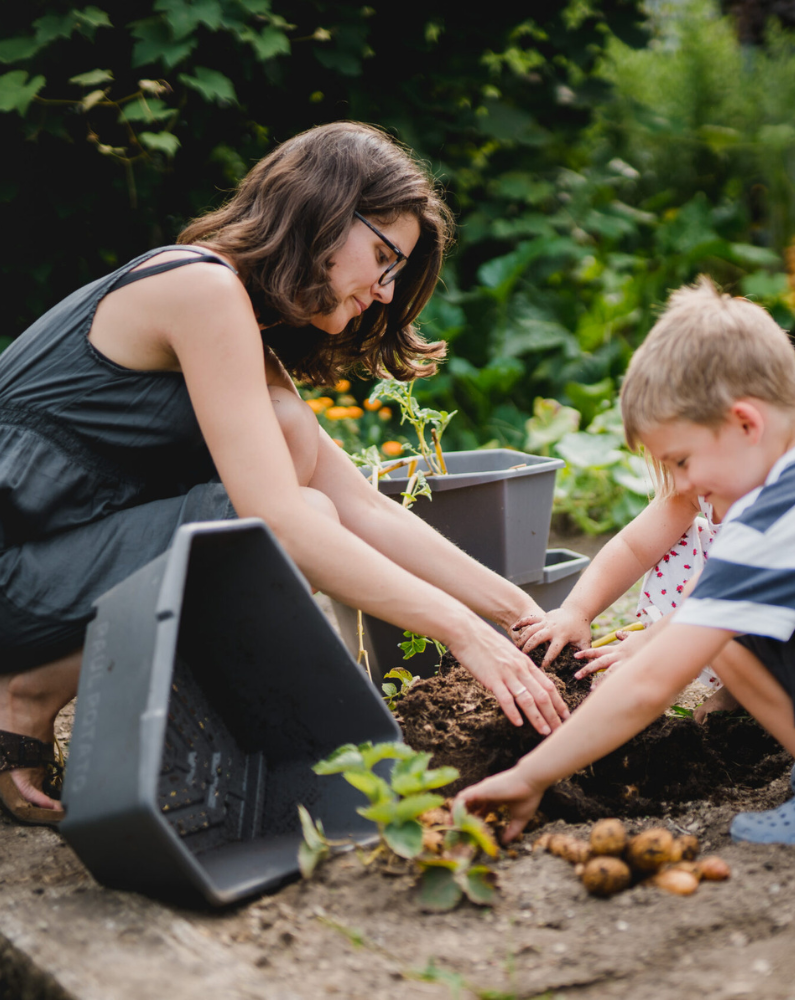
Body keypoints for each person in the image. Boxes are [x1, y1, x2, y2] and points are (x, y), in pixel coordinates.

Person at [0, 121, 568, 826]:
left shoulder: (236, 313)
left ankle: (31, 683)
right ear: (326, 211)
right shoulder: (198, 287)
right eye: (384, 257)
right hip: (14, 571)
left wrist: (522, 617)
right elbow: (283, 519)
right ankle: (24, 694)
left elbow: (362, 504)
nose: (387, 292)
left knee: (294, 440)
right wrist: (461, 631)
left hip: (45, 563)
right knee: (279, 525)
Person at [457, 277, 795, 847]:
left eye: (684, 460)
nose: (684, 484)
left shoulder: (776, 517)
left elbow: (652, 685)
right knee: (736, 612)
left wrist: (530, 775)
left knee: (725, 630)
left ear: (746, 422)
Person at [511, 465, 739, 720]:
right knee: (677, 536)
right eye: (673, 463)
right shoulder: (696, 483)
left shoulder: (771, 499)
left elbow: (725, 589)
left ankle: (750, 684)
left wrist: (652, 641)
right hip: (720, 607)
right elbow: (632, 547)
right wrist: (576, 611)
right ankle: (734, 680)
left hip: (776, 621)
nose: (684, 480)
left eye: (685, 458)